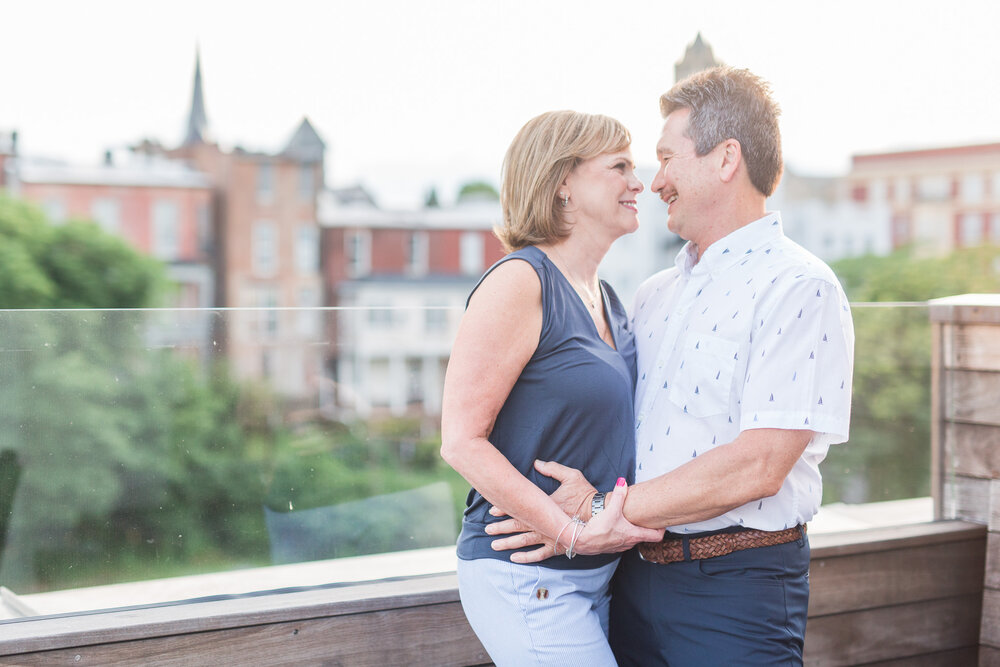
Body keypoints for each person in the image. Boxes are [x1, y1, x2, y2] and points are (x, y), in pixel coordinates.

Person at [488, 67, 855, 665]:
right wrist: (551, 511)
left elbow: (760, 464)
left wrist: (601, 510)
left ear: (725, 158)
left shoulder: (800, 287)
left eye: (666, 159)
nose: (654, 182)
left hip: (736, 590)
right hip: (627, 580)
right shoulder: (653, 294)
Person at [440, 109, 663, 666]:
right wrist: (569, 532)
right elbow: (460, 441)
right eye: (619, 167)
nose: (640, 183)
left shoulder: (608, 297)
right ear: (563, 182)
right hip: (529, 580)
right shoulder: (521, 280)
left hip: (599, 578)